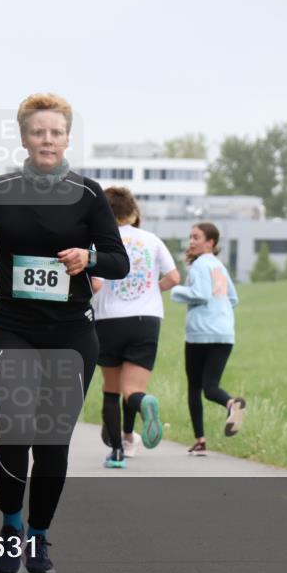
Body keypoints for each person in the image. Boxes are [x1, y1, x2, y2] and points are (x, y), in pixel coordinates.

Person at [0, 93, 129, 573]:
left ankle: (39, 535)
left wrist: (90, 258)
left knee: (53, 441)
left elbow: (117, 260)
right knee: (16, 432)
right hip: (13, 328)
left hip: (71, 332)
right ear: (23, 137)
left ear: (67, 138)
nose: (47, 139)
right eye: (38, 131)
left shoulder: (87, 193)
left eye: (56, 132)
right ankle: (11, 527)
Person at [92, 187, 180, 467]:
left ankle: (117, 453)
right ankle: (143, 405)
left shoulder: (98, 242)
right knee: (133, 390)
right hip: (146, 319)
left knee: (112, 389)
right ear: (132, 211)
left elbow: (95, 283)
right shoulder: (151, 240)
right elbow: (174, 277)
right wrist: (151, 290)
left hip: (108, 320)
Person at [170, 222, 246, 455]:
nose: (191, 242)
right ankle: (231, 405)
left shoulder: (200, 265)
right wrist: (218, 310)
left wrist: (176, 291)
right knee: (211, 386)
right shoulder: (219, 267)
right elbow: (233, 299)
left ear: (210, 243)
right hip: (224, 333)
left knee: (195, 388)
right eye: (190, 237)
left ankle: (202, 438)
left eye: (196, 237)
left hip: (200, 334)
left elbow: (200, 295)